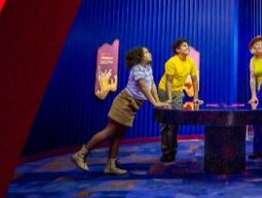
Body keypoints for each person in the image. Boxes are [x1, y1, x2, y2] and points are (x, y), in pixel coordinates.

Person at [72, 47, 169, 175]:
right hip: (125, 102)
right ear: (139, 57)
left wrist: (158, 103)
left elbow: (152, 86)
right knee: (110, 130)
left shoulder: (148, 68)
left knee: (118, 134)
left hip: (133, 105)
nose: (149, 53)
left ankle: (110, 165)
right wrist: (155, 103)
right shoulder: (137, 69)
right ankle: (81, 154)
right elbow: (144, 87)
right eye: (146, 52)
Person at [158, 38, 201, 162]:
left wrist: (196, 97)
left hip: (178, 92)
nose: (187, 47)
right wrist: (169, 99)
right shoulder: (171, 62)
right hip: (164, 91)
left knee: (174, 122)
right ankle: (166, 152)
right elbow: (169, 82)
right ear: (177, 50)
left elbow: (194, 80)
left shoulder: (190, 62)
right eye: (184, 46)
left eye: (188, 45)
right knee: (165, 123)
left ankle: (172, 152)